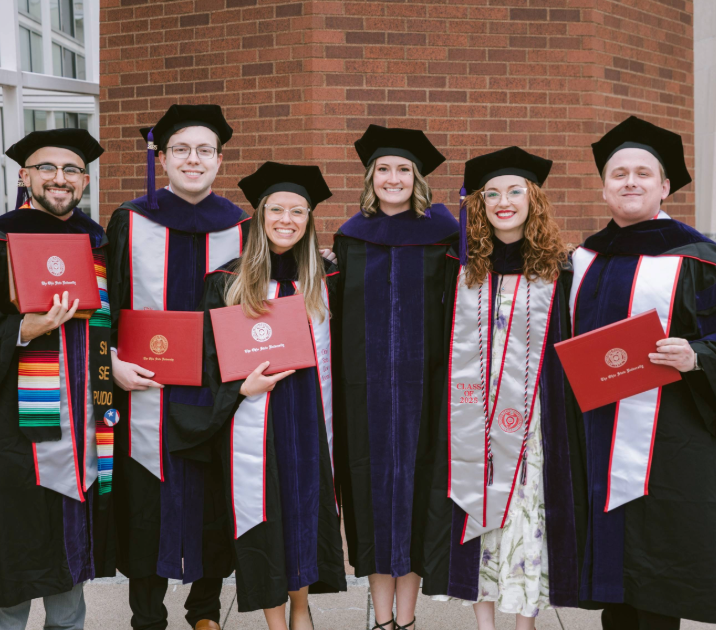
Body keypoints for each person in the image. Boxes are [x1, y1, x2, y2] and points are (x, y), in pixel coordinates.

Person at [574, 116, 716, 629]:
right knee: (614, 580)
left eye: (643, 173)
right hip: (600, 436)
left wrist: (698, 355)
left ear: (665, 186)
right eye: (618, 174)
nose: (630, 182)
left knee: (661, 574)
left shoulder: (698, 259)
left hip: (671, 439)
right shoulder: (583, 260)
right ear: (604, 186)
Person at [0, 128, 116, 629]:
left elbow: (109, 323)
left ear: (83, 181)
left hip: (83, 422)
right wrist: (21, 329)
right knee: (15, 546)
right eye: (47, 168)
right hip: (16, 430)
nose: (60, 178)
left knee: (71, 554)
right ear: (24, 176)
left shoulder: (96, 242)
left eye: (72, 170)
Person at [425, 147, 587, 630]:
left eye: (514, 191)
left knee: (526, 516)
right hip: (471, 414)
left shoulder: (562, 266)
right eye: (491, 194)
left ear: (533, 200)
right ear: (478, 204)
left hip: (534, 419)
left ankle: (525, 622)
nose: (503, 201)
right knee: (476, 508)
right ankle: (484, 623)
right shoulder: (459, 263)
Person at [106, 104, 249, 630]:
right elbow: (105, 303)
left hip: (217, 390)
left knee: (214, 494)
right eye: (182, 150)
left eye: (205, 150)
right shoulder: (130, 220)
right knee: (149, 497)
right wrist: (113, 363)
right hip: (148, 391)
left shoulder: (242, 225)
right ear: (161, 157)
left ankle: (205, 610)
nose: (194, 159)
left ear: (219, 160)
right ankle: (147, 614)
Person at [199, 162, 346, 630]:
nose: (287, 219)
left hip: (306, 416)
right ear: (261, 216)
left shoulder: (326, 281)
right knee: (264, 516)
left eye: (298, 211)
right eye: (277, 209)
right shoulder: (226, 282)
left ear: (308, 219)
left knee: (303, 510)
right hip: (252, 419)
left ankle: (302, 612)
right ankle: (275, 622)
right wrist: (240, 388)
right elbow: (206, 361)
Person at [331, 125, 459, 630]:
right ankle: (381, 621)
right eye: (383, 169)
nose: (392, 177)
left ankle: (405, 621)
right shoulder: (349, 238)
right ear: (370, 177)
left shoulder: (443, 238)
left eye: (403, 169)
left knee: (416, 499)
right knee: (371, 500)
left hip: (424, 395)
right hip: (361, 397)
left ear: (417, 178)